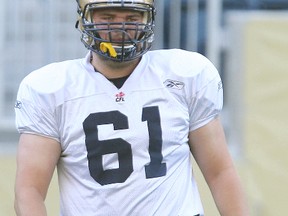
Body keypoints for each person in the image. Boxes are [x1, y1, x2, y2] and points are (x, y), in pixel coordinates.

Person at [14, 0, 249, 215]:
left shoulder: (186, 76)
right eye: (107, 17)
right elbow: (29, 191)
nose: (120, 27)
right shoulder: (50, 89)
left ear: (148, 20)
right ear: (85, 19)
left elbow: (220, 173)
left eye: (132, 18)